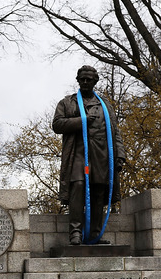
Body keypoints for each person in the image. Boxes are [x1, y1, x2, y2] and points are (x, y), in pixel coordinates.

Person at [52, 65, 126, 245]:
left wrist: (120, 155)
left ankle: (95, 234)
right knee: (77, 186)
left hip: (101, 153)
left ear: (95, 81)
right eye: (82, 79)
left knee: (98, 192)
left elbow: (115, 131)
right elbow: (57, 124)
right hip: (78, 152)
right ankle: (75, 232)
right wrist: (82, 121)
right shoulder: (67, 102)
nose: (85, 82)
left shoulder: (105, 104)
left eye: (89, 79)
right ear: (77, 80)